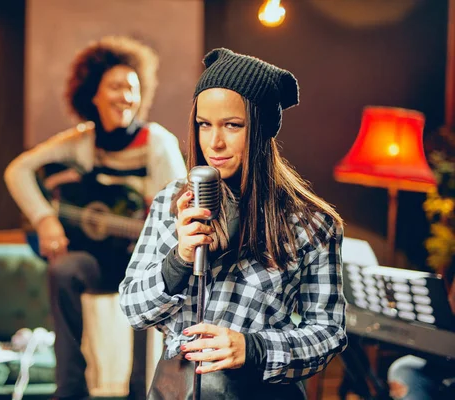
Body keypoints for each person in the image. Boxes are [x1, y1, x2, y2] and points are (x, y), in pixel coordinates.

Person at [119, 48, 347, 399]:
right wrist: (178, 259)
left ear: (261, 129)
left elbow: (329, 332)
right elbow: (134, 310)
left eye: (233, 125)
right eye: (204, 125)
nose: (215, 142)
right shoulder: (172, 201)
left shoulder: (313, 224)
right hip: (177, 387)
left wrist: (253, 348)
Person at [4, 35, 187, 400]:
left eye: (132, 88)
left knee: (150, 282)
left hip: (145, 261)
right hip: (97, 261)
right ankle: (71, 389)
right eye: (115, 87)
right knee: (63, 270)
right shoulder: (81, 141)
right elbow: (18, 171)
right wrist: (45, 219)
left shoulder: (157, 142)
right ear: (93, 95)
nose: (125, 97)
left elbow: (179, 211)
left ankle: (142, 391)